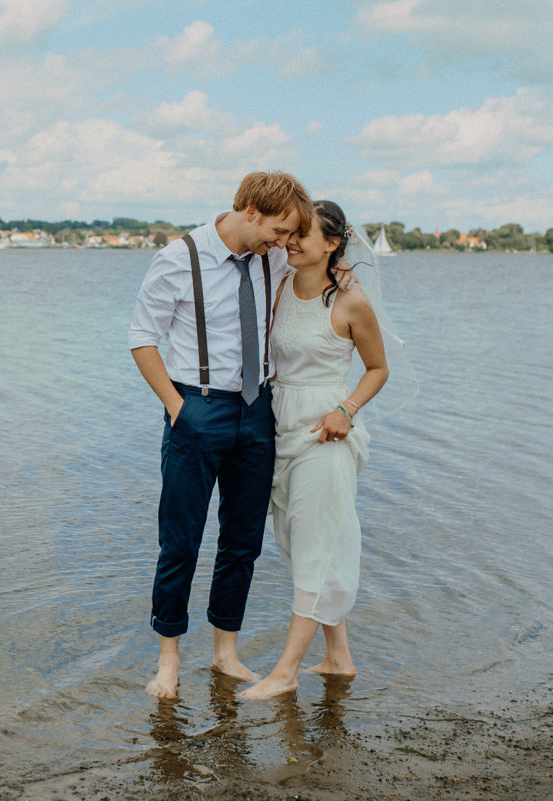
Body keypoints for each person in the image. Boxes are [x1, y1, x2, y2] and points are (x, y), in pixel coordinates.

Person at [129, 172, 314, 699]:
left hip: (258, 413)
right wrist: (175, 408)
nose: (283, 243)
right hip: (197, 409)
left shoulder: (273, 255)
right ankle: (168, 661)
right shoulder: (177, 258)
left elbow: (321, 260)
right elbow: (143, 339)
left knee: (242, 542)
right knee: (180, 540)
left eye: (288, 236)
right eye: (278, 230)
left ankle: (225, 653)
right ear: (251, 210)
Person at [239, 200, 391, 700]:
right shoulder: (279, 283)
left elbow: (377, 369)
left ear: (332, 244)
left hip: (328, 430)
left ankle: (284, 672)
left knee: (315, 548)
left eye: (305, 234)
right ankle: (339, 657)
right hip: (283, 424)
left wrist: (345, 411)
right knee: (299, 542)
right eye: (292, 233)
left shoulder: (350, 303)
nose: (291, 240)